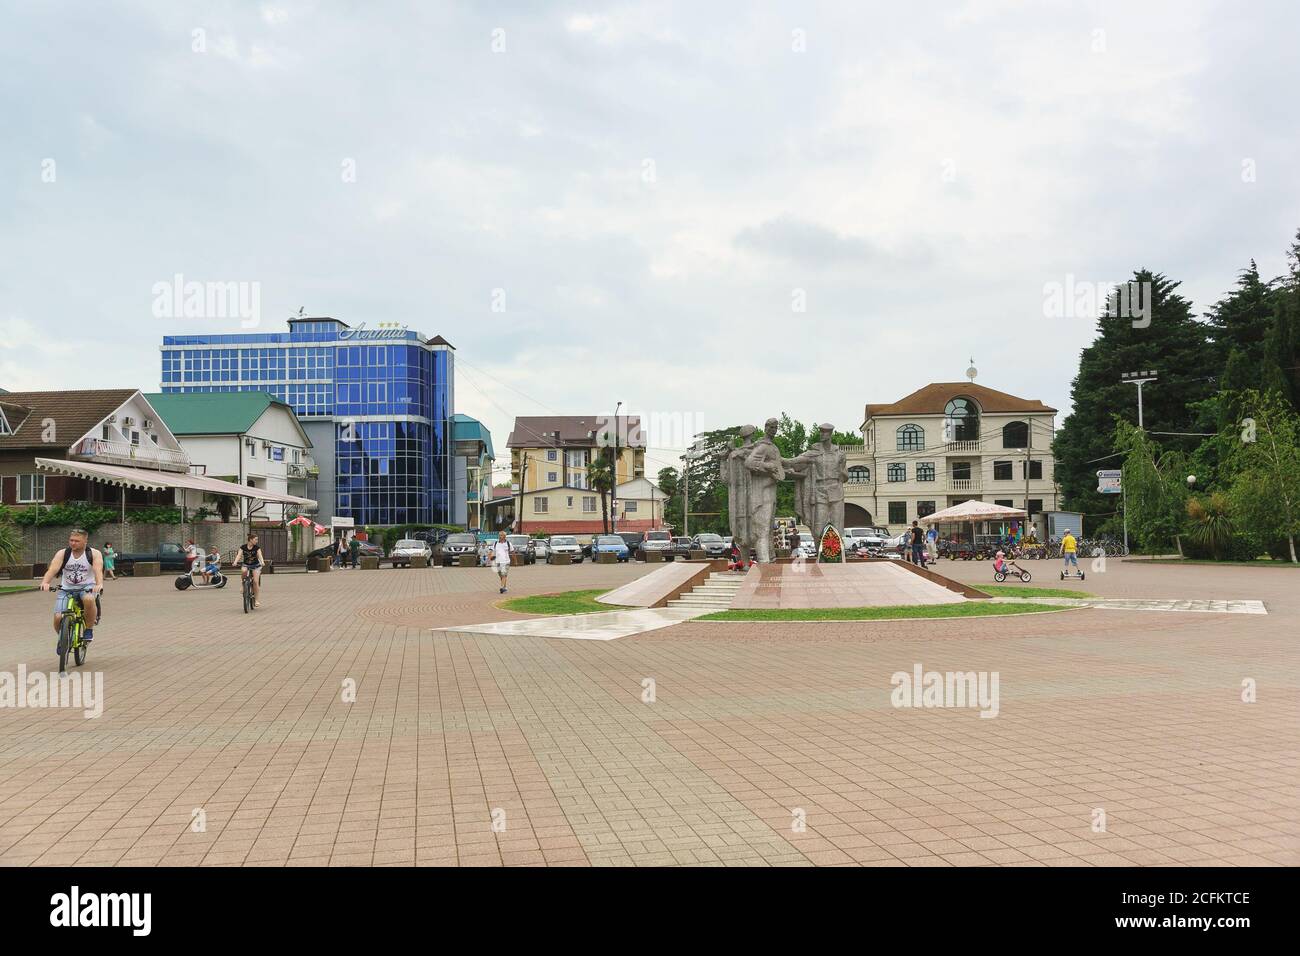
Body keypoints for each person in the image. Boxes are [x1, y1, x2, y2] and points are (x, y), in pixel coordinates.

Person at [40, 529, 103, 649]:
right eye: (71, 540)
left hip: (87, 587)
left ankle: (88, 630)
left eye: (77, 541)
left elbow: (97, 569)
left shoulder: (94, 553)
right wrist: (45, 582)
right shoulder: (63, 553)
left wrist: (99, 584)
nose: (73, 543)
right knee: (58, 617)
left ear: (85, 541)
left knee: (89, 599)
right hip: (66, 589)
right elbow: (53, 569)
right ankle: (63, 639)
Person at [237, 532, 267, 608]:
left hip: (256, 565)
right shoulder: (243, 547)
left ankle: (256, 600)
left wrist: (262, 562)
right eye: (255, 539)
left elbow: (260, 555)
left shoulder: (257, 548)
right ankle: (243, 585)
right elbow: (239, 555)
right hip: (246, 564)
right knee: (243, 571)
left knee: (255, 582)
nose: (257, 541)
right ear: (250, 540)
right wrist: (235, 562)